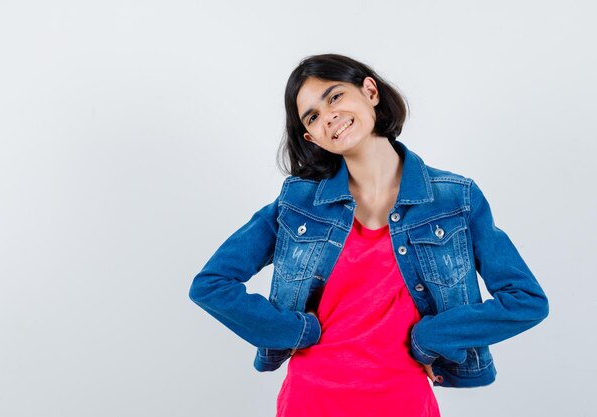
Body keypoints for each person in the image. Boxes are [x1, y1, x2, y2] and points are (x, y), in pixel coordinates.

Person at [188, 53, 549, 417]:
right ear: (311, 137)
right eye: (312, 116)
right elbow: (211, 285)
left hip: (404, 402)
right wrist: (293, 332)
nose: (328, 116)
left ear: (370, 91)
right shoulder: (297, 202)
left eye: (334, 97)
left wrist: (434, 337)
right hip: (309, 402)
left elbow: (526, 301)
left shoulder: (455, 199)